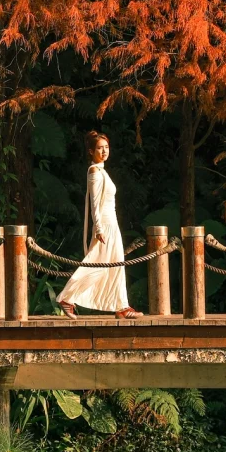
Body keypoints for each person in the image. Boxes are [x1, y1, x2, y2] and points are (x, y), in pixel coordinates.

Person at [57, 131, 139, 318]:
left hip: (112, 222)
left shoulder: (102, 171)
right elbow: (94, 203)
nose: (104, 151)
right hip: (105, 224)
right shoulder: (94, 171)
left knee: (116, 263)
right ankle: (67, 297)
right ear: (91, 151)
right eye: (100, 148)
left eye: (106, 147)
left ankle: (121, 306)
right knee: (97, 263)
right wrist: (99, 228)